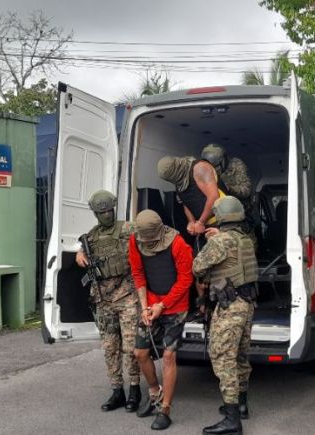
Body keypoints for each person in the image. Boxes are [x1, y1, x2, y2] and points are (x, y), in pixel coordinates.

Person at [192, 196, 258, 435]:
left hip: (230, 305)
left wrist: (212, 240)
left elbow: (197, 267)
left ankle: (232, 421)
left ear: (220, 216)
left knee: (222, 357)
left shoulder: (220, 242)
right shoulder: (246, 239)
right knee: (240, 355)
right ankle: (241, 406)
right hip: (247, 303)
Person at [75, 190, 141, 413]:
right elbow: (82, 250)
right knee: (110, 347)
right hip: (103, 299)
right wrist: (79, 254)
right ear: (95, 214)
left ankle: (134, 389)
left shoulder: (128, 228)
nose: (107, 215)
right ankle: (117, 390)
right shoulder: (91, 237)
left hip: (127, 296)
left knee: (131, 347)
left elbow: (150, 237)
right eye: (102, 212)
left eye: (109, 210)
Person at [129, 209, 193, 430]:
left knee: (168, 356)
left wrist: (162, 305)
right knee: (140, 353)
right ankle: (155, 392)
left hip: (176, 306)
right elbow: (138, 273)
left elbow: (186, 279)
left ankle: (165, 409)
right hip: (151, 303)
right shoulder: (135, 241)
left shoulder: (178, 244)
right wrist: (145, 306)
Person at [201, 144, 256, 248]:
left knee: (246, 246)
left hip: (240, 214)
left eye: (216, 166)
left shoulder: (236, 166)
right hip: (221, 216)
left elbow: (246, 190)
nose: (213, 169)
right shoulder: (204, 169)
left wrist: (229, 188)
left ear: (223, 161)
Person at [157, 156, 222, 238]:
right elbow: (186, 203)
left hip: (222, 220)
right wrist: (191, 222)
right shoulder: (179, 181)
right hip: (206, 225)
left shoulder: (200, 168)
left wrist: (200, 222)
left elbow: (214, 197)